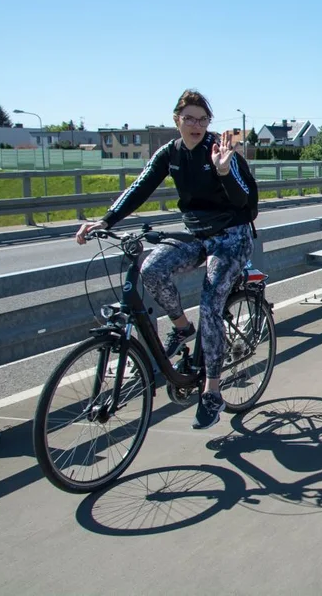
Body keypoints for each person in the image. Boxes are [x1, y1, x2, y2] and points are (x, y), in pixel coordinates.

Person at [75, 89, 257, 430]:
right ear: (177, 120)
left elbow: (247, 203)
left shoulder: (220, 150)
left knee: (210, 303)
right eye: (189, 118)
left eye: (203, 119)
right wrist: (107, 220)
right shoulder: (170, 153)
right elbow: (140, 186)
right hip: (198, 234)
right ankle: (181, 327)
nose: (197, 125)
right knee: (152, 269)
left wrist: (222, 171)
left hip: (233, 235)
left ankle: (213, 391)